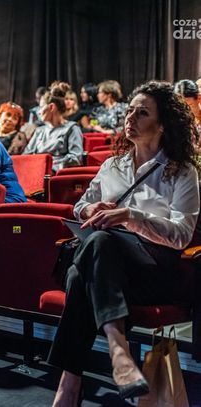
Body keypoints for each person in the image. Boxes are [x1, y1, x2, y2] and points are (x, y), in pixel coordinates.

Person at [48, 81, 200, 406]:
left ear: (162, 125)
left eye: (142, 113)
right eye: (130, 110)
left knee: (82, 269)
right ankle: (115, 353)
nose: (130, 117)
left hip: (154, 272)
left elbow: (181, 235)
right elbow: (79, 207)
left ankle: (71, 384)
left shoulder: (181, 172)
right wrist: (90, 209)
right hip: (109, 271)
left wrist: (129, 216)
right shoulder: (112, 166)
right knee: (97, 247)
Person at [23, 82, 83, 173]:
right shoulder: (39, 131)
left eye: (41, 107)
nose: (38, 112)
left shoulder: (72, 128)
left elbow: (75, 158)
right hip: (34, 172)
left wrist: (47, 165)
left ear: (51, 107)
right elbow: (25, 156)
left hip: (56, 175)